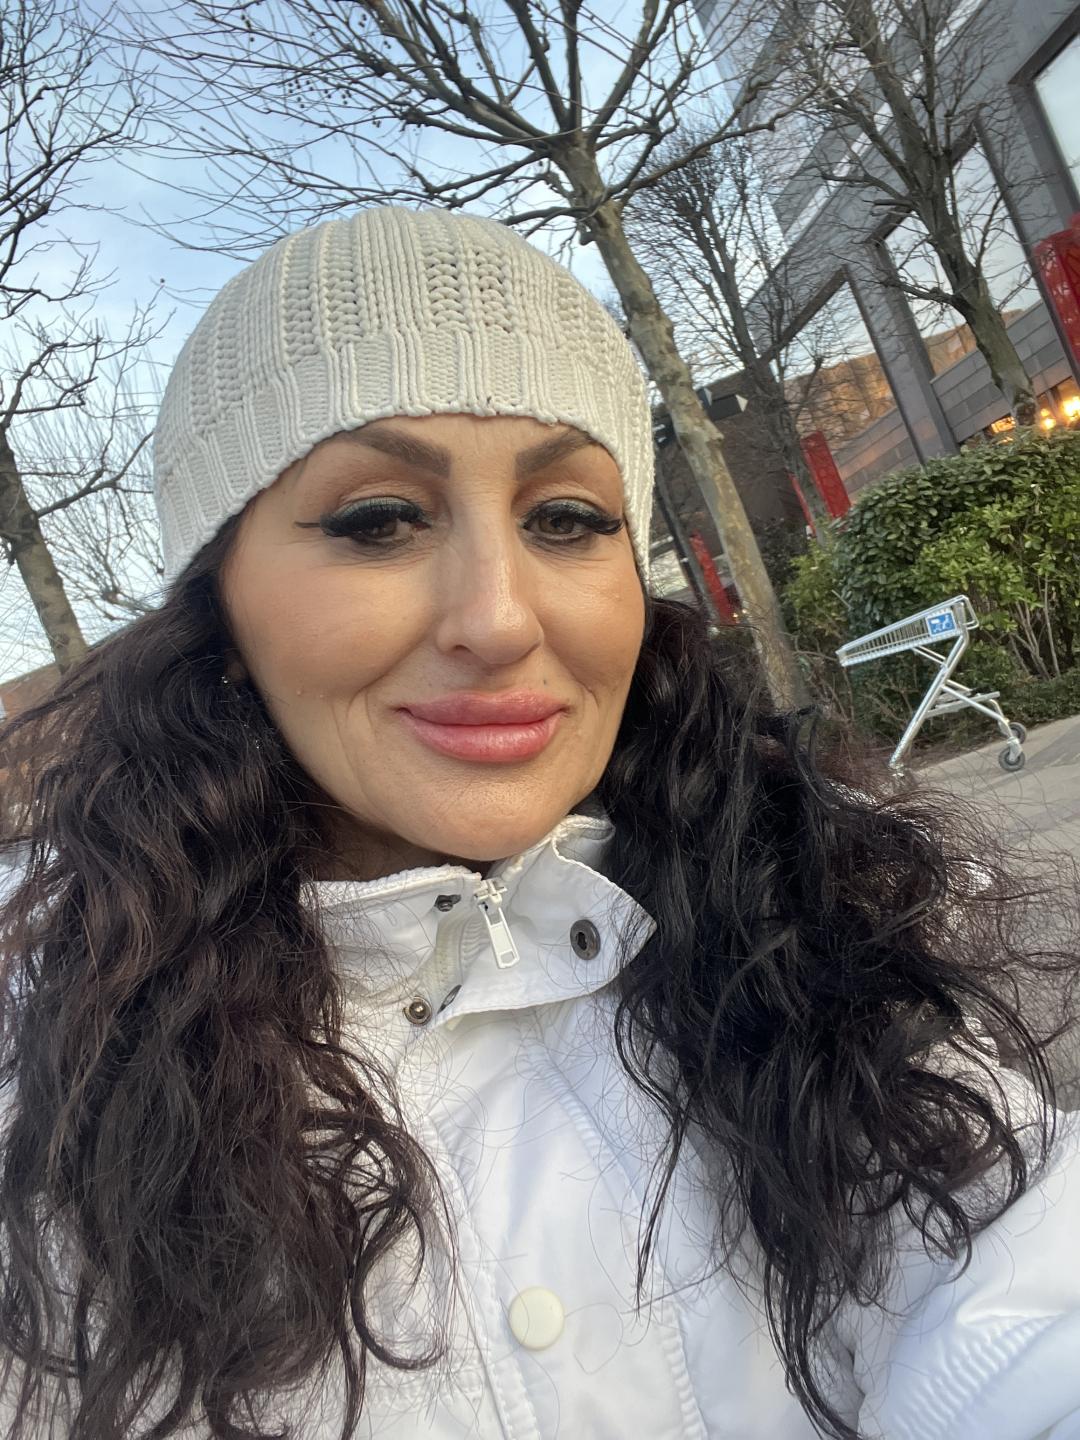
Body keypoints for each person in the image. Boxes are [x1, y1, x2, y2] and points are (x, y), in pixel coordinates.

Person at [0, 205, 1078, 1440]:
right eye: (378, 520)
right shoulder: (45, 1089)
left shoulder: (809, 903)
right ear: (220, 608)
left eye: (566, 518)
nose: (501, 619)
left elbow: (1023, 1290)